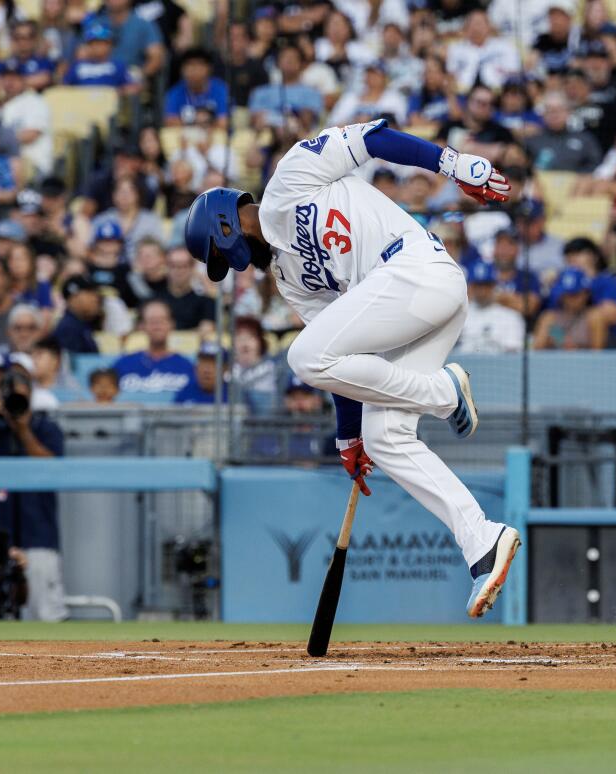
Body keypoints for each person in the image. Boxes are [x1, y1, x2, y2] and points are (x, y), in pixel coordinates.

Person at [182, 120, 521, 618]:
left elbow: (375, 139)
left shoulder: (291, 177)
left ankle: (445, 394)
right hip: (408, 313)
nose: (231, 267)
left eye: (220, 255)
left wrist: (451, 164)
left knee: (302, 356)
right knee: (385, 438)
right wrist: (349, 436)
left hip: (417, 272)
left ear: (225, 227)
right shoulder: (287, 278)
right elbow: (340, 355)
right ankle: (483, 541)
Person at [0, 355, 67, 621]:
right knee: (0, 612)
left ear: (32, 395)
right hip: (1, 537)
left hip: (39, 534)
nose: (16, 405)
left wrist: (23, 430)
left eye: (21, 398)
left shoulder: (46, 427)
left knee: (45, 612)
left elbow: (53, 467)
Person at [111, 300, 194, 397]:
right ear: (142, 326)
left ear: (171, 324)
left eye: (162, 320)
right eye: (152, 322)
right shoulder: (123, 364)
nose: (157, 326)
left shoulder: (186, 366)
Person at [456, 261, 525, 354]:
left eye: (486, 285)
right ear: (470, 287)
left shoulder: (511, 317)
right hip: (462, 367)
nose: (482, 291)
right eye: (478, 286)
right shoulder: (458, 315)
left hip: (496, 367)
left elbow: (513, 357)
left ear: (494, 286)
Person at [532, 267, 606, 350]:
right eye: (565, 294)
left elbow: (597, 354)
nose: (569, 300)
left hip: (583, 362)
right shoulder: (549, 317)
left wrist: (575, 349)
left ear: (586, 294)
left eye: (574, 295)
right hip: (556, 361)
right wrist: (558, 339)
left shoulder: (594, 317)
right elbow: (537, 348)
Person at [164, 47, 230, 128]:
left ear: (208, 68)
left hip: (213, 137)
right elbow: (170, 122)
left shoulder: (221, 89)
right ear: (182, 69)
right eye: (190, 65)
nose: (194, 70)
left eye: (199, 65)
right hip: (185, 137)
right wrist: (199, 124)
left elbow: (223, 123)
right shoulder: (175, 92)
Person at [157, 246, 216, 332]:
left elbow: (207, 330)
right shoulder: (154, 301)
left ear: (192, 268)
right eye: (173, 266)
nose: (178, 271)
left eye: (183, 266)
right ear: (166, 267)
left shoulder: (206, 303)